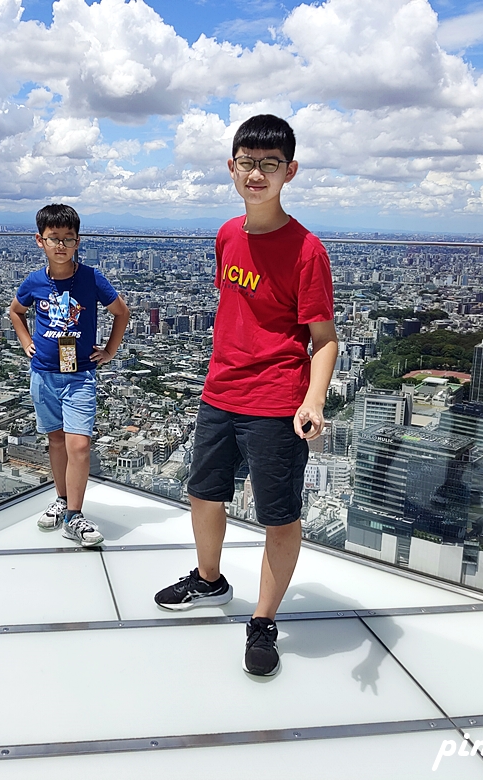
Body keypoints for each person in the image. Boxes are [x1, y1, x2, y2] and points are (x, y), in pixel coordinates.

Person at [153, 115, 337, 676]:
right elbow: (236, 311)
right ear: (231, 167)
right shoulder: (228, 235)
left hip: (276, 399)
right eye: (248, 162)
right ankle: (210, 581)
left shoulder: (308, 250)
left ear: (291, 171)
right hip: (220, 390)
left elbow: (325, 340)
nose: (257, 173)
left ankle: (262, 621)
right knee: (204, 495)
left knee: (278, 516)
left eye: (270, 164)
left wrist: (313, 399)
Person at [9, 204, 130, 547]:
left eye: (67, 239)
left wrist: (110, 351)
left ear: (78, 242)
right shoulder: (34, 281)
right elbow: (15, 312)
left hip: (79, 375)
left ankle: (74, 516)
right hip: (44, 374)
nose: (60, 245)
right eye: (53, 239)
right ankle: (62, 500)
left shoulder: (91, 278)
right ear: (39, 241)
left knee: (80, 444)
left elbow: (121, 312)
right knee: (57, 441)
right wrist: (26, 341)